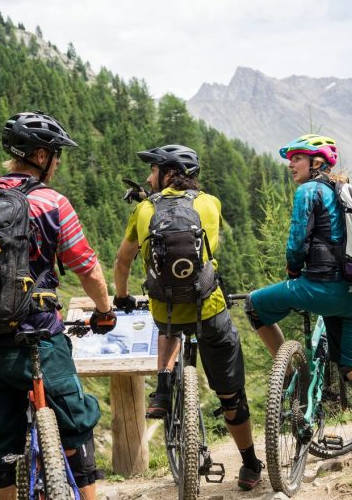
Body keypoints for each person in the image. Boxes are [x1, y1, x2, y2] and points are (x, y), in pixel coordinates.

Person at [0, 111, 116, 500]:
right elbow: (88, 269)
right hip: (37, 338)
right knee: (75, 421)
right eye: (56, 154)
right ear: (40, 156)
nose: (58, 162)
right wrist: (104, 311)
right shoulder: (52, 202)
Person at [112, 144, 264, 490]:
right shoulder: (210, 204)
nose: (149, 178)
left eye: (153, 171)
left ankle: (163, 387)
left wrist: (121, 297)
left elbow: (123, 263)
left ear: (167, 173)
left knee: (167, 318)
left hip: (165, 311)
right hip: (209, 311)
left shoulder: (144, 209)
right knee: (231, 394)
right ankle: (250, 465)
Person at [244, 134, 352, 456]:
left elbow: (296, 243)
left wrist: (293, 273)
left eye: (297, 158)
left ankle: (290, 375)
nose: (290, 165)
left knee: (254, 306)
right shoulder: (349, 195)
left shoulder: (309, 191)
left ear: (317, 162)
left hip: (317, 287)